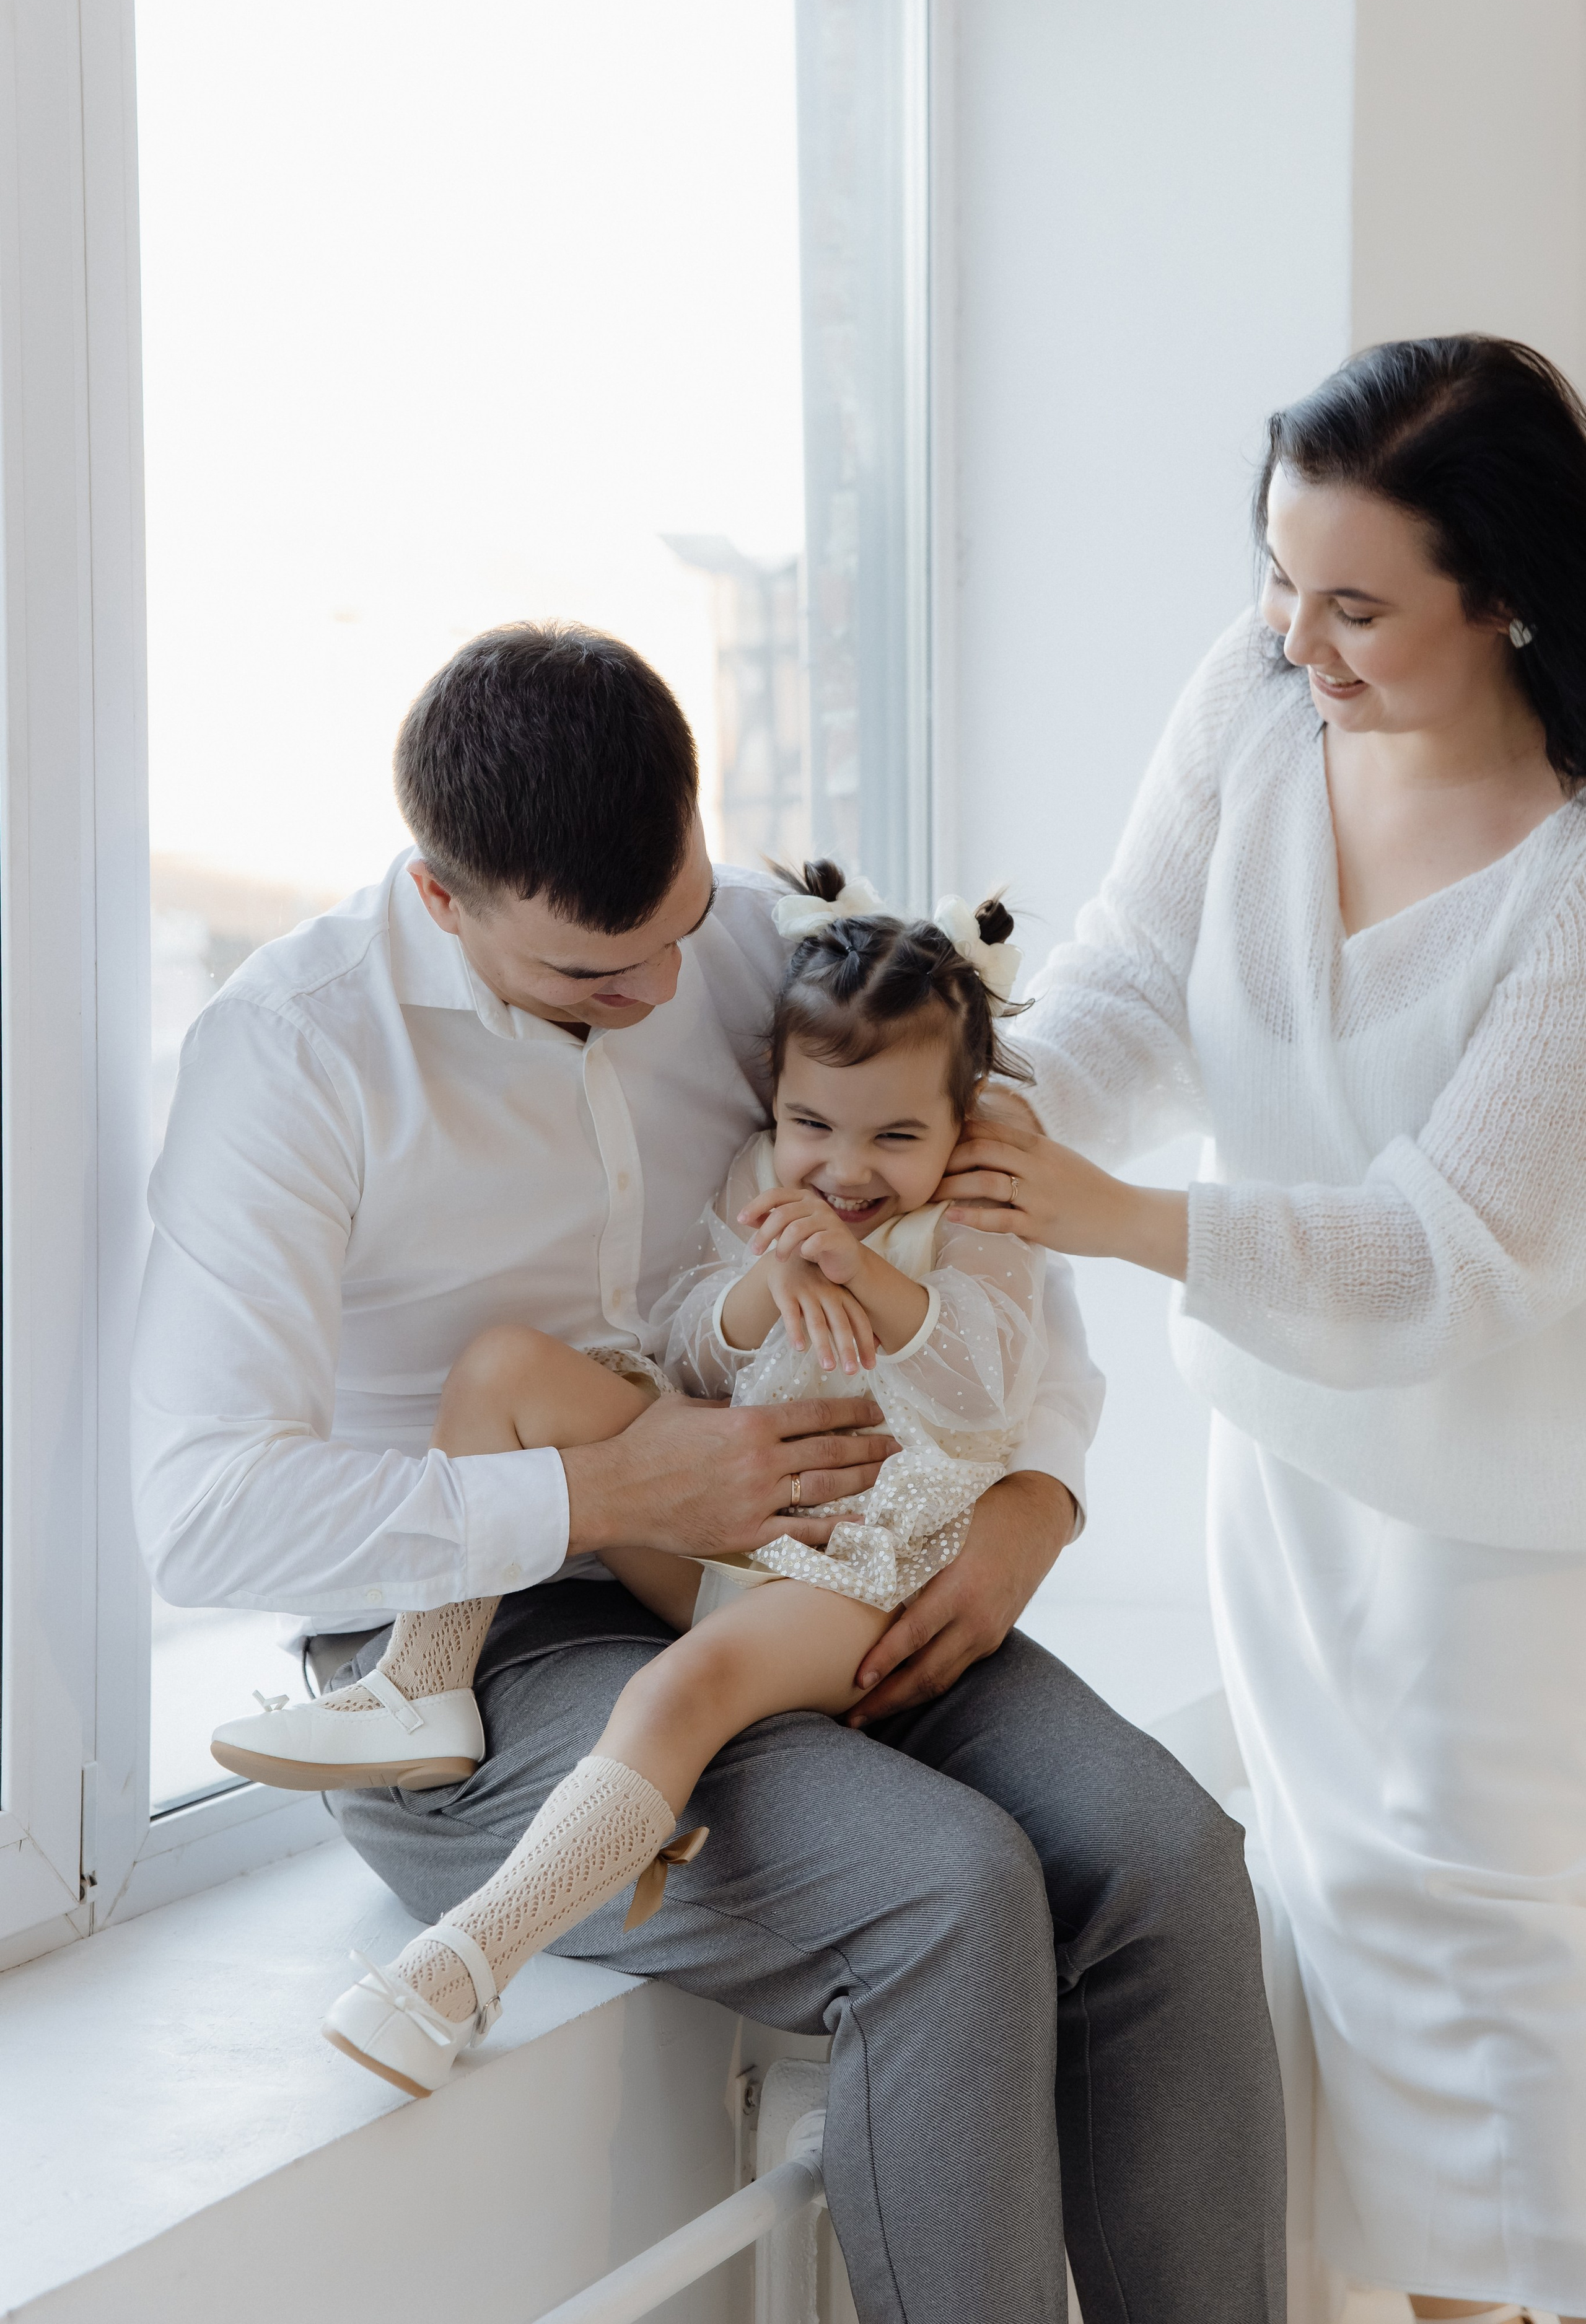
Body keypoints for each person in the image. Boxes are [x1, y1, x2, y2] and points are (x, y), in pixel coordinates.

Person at [133, 621, 1286, 2324]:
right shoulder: (291, 1054)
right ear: (445, 903)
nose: (667, 994)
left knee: (1165, 1854)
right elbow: (201, 1509)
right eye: (597, 979)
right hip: (474, 1649)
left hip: (844, 1545)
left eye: (678, 929)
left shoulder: (759, 949)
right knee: (947, 1894)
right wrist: (611, 1497)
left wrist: (1037, 1496)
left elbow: (982, 1211)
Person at [939, 335, 1586, 2324]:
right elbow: (1134, 984)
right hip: (1282, 1472)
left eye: (1359, 604)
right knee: (1322, 1966)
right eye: (1279, 576)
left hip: (1496, 1532)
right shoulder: (1256, 690)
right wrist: (967, 1114)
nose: (1296, 634)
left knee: (1481, 2004)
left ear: (1511, 594)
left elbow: (1438, 1258)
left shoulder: (1569, 874)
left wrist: (1119, 1221)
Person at [277, 866, 1050, 2095]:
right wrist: (761, 1287)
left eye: (895, 1137)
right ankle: (422, 1683)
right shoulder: (762, 1179)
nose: (845, 1168)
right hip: (716, 1513)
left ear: (960, 1127)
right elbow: (688, 1343)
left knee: (676, 1691)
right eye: (814, 1125)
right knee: (505, 1368)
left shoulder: (971, 1221)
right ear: (779, 1101)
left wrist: (865, 1275)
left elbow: (984, 1394)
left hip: (848, 1568)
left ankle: (467, 1965)